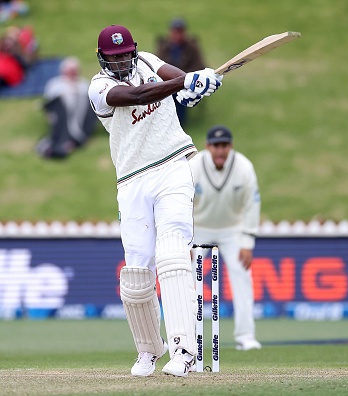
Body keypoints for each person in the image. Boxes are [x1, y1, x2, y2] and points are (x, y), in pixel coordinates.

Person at [87, 24, 222, 377]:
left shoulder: (147, 59)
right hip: (132, 179)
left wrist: (197, 83)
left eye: (124, 55)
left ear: (134, 50)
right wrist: (184, 84)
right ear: (102, 59)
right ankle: (149, 351)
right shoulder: (99, 87)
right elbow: (138, 97)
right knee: (135, 272)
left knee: (173, 251)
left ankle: (185, 350)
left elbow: (178, 77)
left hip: (173, 164)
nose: (120, 63)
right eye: (112, 58)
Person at [188, 125, 262, 351]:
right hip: (198, 228)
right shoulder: (194, 166)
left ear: (230, 146)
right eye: (215, 146)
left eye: (224, 146)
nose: (220, 151)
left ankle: (246, 336)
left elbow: (252, 204)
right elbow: (181, 203)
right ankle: (185, 338)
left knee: (242, 276)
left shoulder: (244, 167)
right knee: (186, 280)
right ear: (207, 146)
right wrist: (185, 240)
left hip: (232, 229)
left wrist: (247, 242)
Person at [37, 56, 97, 158]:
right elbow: (50, 102)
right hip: (62, 115)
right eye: (70, 70)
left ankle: (73, 139)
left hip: (80, 115)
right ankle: (61, 143)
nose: (73, 73)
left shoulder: (83, 84)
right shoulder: (55, 84)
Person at [156, 18, 207, 126]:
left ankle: (179, 125)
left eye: (180, 32)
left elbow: (199, 65)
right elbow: (157, 65)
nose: (178, 35)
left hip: (185, 84)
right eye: (175, 32)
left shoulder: (191, 48)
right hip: (167, 84)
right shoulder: (164, 47)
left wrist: (187, 78)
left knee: (181, 100)